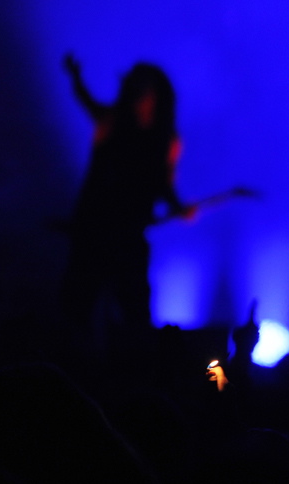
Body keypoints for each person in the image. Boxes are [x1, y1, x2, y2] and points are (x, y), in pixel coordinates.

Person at [60, 54, 194, 340]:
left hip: (127, 233)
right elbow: (88, 102)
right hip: (95, 228)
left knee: (131, 311)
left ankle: (134, 370)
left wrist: (177, 207)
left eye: (143, 88)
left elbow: (163, 183)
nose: (138, 94)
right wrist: (76, 79)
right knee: (79, 308)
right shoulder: (114, 123)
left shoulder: (166, 140)